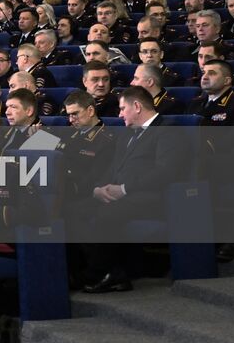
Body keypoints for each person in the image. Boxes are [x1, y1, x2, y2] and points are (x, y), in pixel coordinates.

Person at [80, 86, 193, 293]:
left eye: (123, 108)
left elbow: (165, 172)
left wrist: (124, 189)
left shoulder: (168, 129)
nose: (120, 114)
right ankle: (99, 271)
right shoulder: (127, 134)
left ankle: (102, 274)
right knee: (75, 210)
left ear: (137, 106)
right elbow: (112, 167)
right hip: (120, 196)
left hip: (150, 197)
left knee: (104, 215)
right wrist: (98, 189)